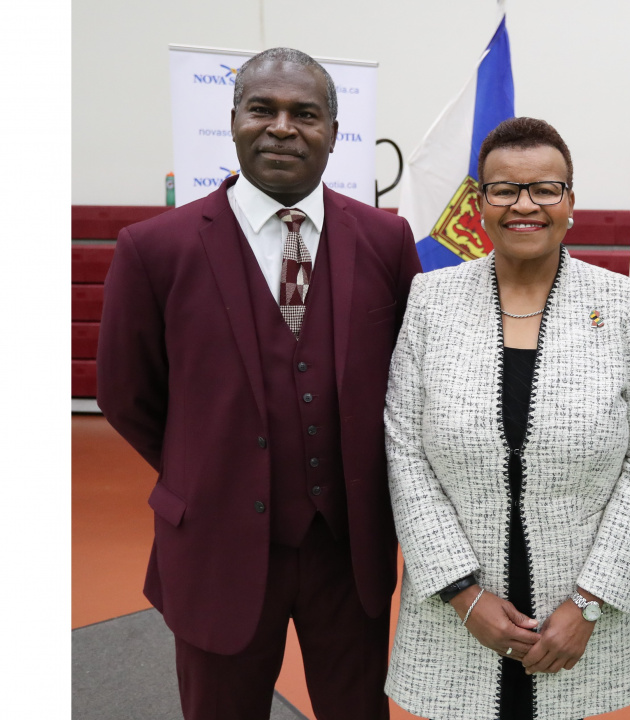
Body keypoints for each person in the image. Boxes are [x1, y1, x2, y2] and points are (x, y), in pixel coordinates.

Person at [97, 47, 421, 719]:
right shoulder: (155, 248)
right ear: (234, 120)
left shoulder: (386, 241)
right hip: (215, 544)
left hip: (348, 549)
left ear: (333, 132)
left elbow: (408, 381)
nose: (282, 127)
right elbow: (128, 394)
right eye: (262, 109)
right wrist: (207, 464)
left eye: (305, 113)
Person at [382, 116, 630, 720]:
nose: (525, 205)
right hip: (456, 617)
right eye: (504, 189)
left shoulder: (625, 304)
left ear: (570, 202)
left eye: (545, 188)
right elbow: (404, 450)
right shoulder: (430, 301)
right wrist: (463, 594)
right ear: (478, 204)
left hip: (586, 624)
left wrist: (589, 602)